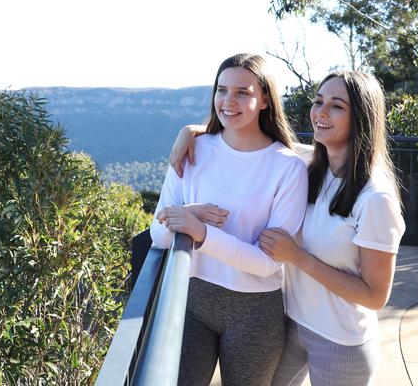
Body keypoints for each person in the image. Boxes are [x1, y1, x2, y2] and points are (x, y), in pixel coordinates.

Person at [170, 71, 405, 386]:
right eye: (318, 101)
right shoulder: (310, 165)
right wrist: (192, 130)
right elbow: (248, 138)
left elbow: (375, 296)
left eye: (336, 106)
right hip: (292, 325)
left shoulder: (376, 197)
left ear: (361, 117)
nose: (320, 112)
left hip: (341, 342)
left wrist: (298, 257)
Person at [151, 53, 308, 386]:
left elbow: (268, 263)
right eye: (221, 90)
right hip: (190, 300)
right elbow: (158, 235)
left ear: (265, 99)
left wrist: (200, 232)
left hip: (254, 311)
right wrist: (190, 213)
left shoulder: (287, 168)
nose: (228, 101)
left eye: (242, 92)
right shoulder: (192, 149)